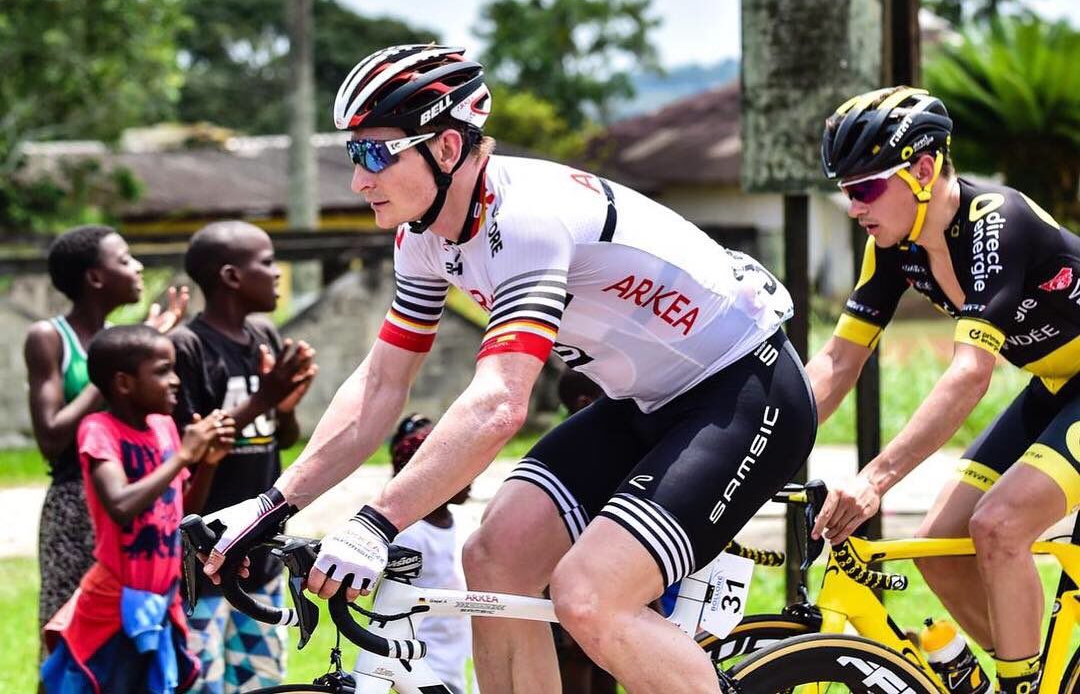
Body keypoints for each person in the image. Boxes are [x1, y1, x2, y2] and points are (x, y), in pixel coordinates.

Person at [203, 44, 815, 693]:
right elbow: (383, 384)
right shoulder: (424, 235)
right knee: (493, 557)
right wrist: (275, 503)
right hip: (643, 402)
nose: (359, 179)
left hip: (742, 392)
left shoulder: (526, 218)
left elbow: (499, 403)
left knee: (590, 597)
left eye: (376, 152)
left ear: (445, 148)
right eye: (353, 155)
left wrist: (377, 520)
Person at [806, 85, 1080, 694]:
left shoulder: (995, 223)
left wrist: (875, 480)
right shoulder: (892, 248)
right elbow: (838, 359)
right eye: (845, 192)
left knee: (999, 527)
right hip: (1057, 384)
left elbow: (969, 376)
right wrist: (758, 443)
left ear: (924, 170)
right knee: (937, 547)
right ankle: (1029, 677)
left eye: (866, 188)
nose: (853, 207)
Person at [41, 324, 233, 693]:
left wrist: (207, 462)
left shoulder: (163, 427)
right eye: (162, 371)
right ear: (124, 383)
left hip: (162, 599)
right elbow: (119, 505)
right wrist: (182, 457)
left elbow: (182, 513)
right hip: (113, 606)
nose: (175, 380)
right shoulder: (98, 430)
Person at [24, 224, 189, 643]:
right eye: (124, 260)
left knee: (126, 636)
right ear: (95, 277)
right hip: (76, 505)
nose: (137, 268)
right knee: (67, 634)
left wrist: (137, 349)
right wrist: (109, 370)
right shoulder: (49, 337)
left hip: (137, 497)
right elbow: (50, 437)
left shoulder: (124, 344)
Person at [173, 220, 317, 693]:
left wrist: (282, 407)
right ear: (232, 276)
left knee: (261, 683)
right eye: (267, 263)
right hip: (206, 560)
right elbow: (190, 450)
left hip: (263, 557)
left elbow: (278, 437)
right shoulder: (186, 347)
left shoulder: (264, 337)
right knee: (201, 680)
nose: (277, 274)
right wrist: (263, 398)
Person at [378, 413, 473, 694]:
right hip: (419, 660)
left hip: (455, 656)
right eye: (461, 468)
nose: (472, 476)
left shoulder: (461, 525)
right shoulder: (411, 535)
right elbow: (385, 605)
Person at [551, 370, 617, 694]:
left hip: (608, 579)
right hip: (577, 582)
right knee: (578, 658)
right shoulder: (578, 452)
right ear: (585, 403)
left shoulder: (611, 447)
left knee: (605, 661)